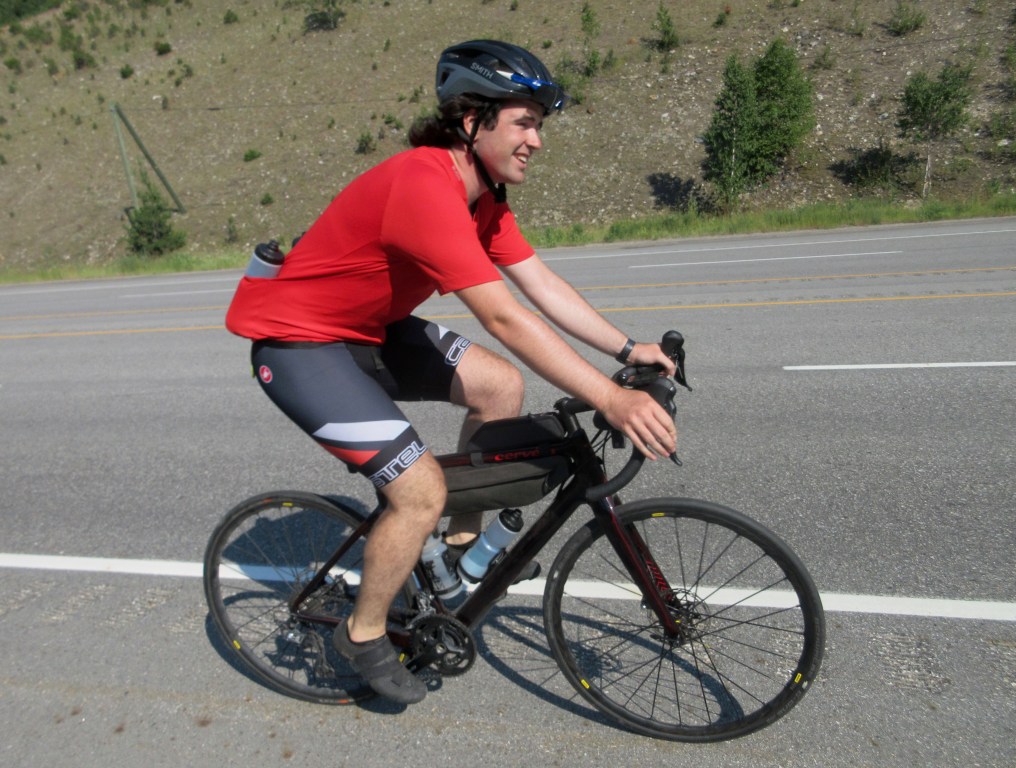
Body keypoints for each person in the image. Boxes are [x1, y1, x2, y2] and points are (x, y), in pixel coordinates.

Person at [225, 39, 677, 705]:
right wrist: (610, 399)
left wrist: (627, 349)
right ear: (473, 121)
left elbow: (540, 285)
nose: (536, 141)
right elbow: (504, 317)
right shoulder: (423, 185)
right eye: (524, 123)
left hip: (369, 333)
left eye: (539, 126)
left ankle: (460, 556)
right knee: (419, 492)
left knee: (500, 385)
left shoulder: (482, 198)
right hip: (301, 348)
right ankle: (362, 632)